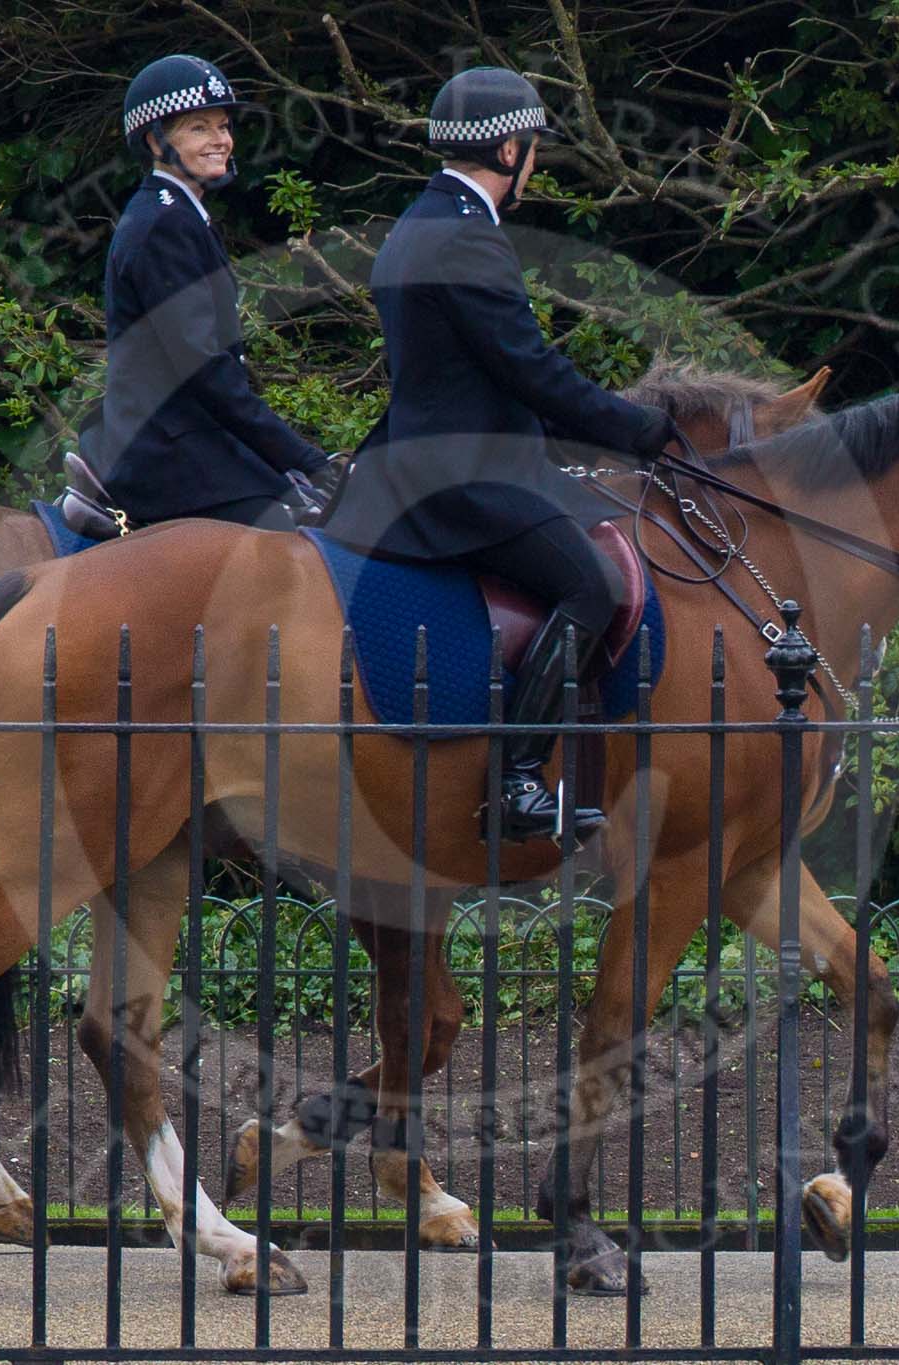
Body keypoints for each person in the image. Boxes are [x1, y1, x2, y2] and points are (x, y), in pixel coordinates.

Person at [326, 66, 675, 844]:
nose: (535, 164)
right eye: (532, 149)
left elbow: (477, 376)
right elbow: (531, 369)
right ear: (510, 148)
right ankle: (517, 777)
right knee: (589, 585)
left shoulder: (416, 222)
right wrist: (640, 428)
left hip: (422, 463)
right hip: (463, 480)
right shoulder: (468, 238)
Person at [87, 53, 338, 532]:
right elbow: (205, 370)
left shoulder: (178, 216)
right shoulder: (164, 225)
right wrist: (307, 458)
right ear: (155, 141)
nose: (221, 140)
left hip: (201, 443)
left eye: (223, 126)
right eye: (199, 128)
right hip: (172, 454)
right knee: (299, 553)